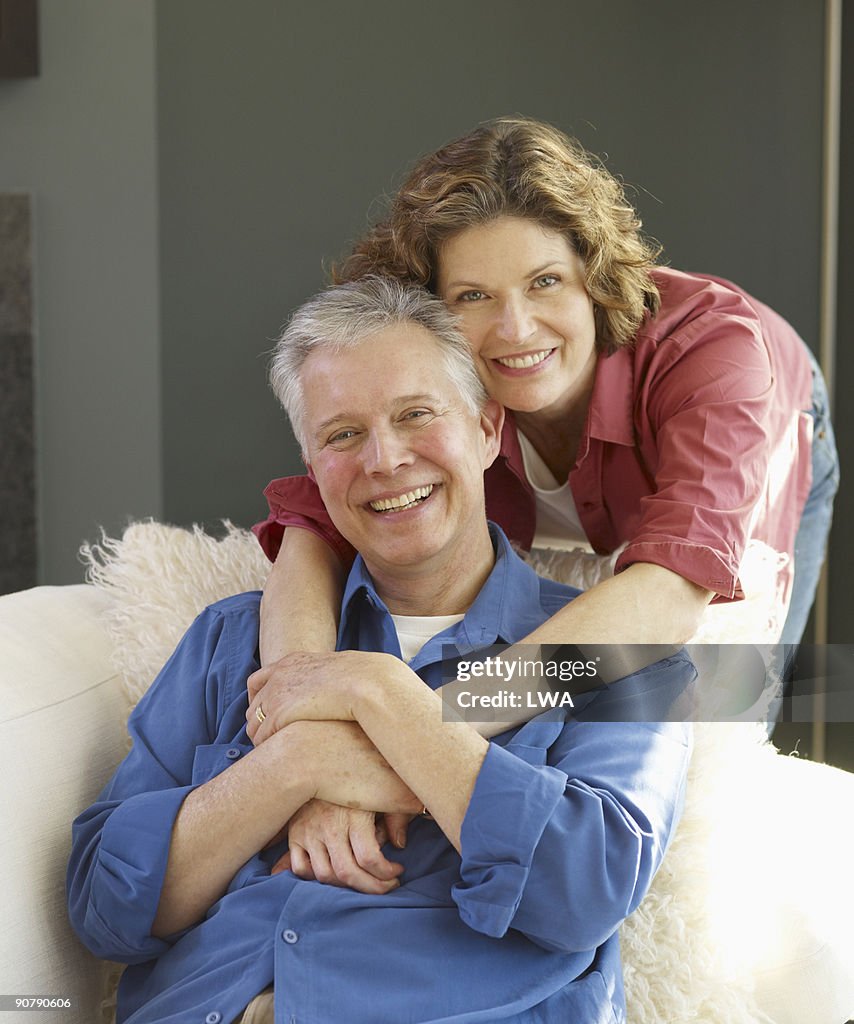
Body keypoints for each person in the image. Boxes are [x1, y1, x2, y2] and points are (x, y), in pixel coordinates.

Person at [67, 278, 693, 1024]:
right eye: (342, 434)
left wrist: (384, 698)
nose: (386, 459)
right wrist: (296, 765)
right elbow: (104, 909)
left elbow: (580, 895)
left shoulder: (615, 653)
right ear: (311, 464)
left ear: (489, 430)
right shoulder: (229, 642)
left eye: (416, 415)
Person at [253, 117, 838, 680]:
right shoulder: (432, 371)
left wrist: (442, 720)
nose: (516, 330)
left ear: (595, 276)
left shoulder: (710, 350)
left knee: (735, 687)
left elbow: (672, 594)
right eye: (473, 295)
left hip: (774, 406)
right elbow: (314, 527)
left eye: (545, 282)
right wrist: (299, 700)